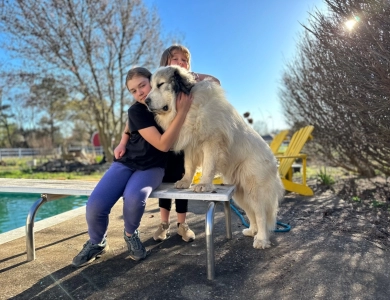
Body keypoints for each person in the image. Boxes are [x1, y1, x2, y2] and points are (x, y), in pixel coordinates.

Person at [72, 67, 193, 267]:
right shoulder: (136, 110)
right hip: (127, 162)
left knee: (135, 198)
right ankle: (96, 242)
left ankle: (130, 235)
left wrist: (124, 137)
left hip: (153, 167)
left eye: (142, 86)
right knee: (95, 204)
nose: (139, 93)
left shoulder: (166, 100)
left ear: (152, 81)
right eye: (133, 91)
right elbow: (162, 142)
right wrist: (123, 141)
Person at [115, 45, 220, 243]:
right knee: (165, 185)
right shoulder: (156, 86)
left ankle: (182, 224)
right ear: (165, 64)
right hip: (162, 146)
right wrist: (122, 142)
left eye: (184, 61)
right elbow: (132, 122)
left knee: (181, 183)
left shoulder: (188, 86)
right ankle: (163, 223)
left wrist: (188, 75)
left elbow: (216, 81)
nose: (181, 63)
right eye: (176, 60)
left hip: (184, 143)